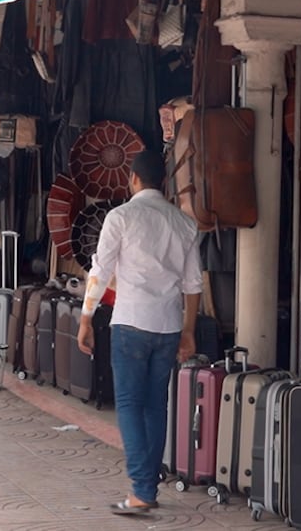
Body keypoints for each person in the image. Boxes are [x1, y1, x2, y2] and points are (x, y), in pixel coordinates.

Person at [77, 149, 200, 515]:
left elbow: (100, 270)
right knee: (154, 404)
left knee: (130, 404)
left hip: (131, 323)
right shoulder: (184, 223)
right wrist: (189, 331)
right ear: (162, 182)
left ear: (133, 178)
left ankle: (142, 489)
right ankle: (148, 481)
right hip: (168, 326)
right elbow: (193, 284)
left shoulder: (121, 217)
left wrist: (86, 318)